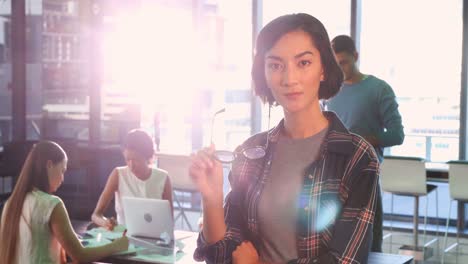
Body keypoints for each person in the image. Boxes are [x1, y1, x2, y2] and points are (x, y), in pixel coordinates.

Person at [189, 13, 379, 264]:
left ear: (323, 68)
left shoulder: (356, 156)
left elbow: (345, 261)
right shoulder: (251, 151)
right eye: (275, 65)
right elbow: (222, 255)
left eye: (303, 63)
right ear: (264, 74)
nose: (289, 79)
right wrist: (211, 197)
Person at [326, 35, 405, 252]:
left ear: (356, 57)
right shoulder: (331, 94)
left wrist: (363, 138)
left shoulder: (379, 89)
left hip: (365, 176)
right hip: (333, 177)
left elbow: (397, 135)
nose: (340, 69)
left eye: (344, 62)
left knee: (370, 241)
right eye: (336, 64)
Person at [0, 141, 129, 263]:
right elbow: (80, 255)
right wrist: (116, 246)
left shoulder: (11, 203)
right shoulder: (51, 204)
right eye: (62, 171)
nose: (62, 179)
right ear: (49, 165)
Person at [92, 129, 173, 230]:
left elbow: (169, 221)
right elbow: (96, 215)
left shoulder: (163, 178)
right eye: (127, 159)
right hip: (123, 239)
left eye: (136, 160)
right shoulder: (118, 174)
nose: (131, 165)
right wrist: (105, 223)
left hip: (154, 239)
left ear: (148, 157)